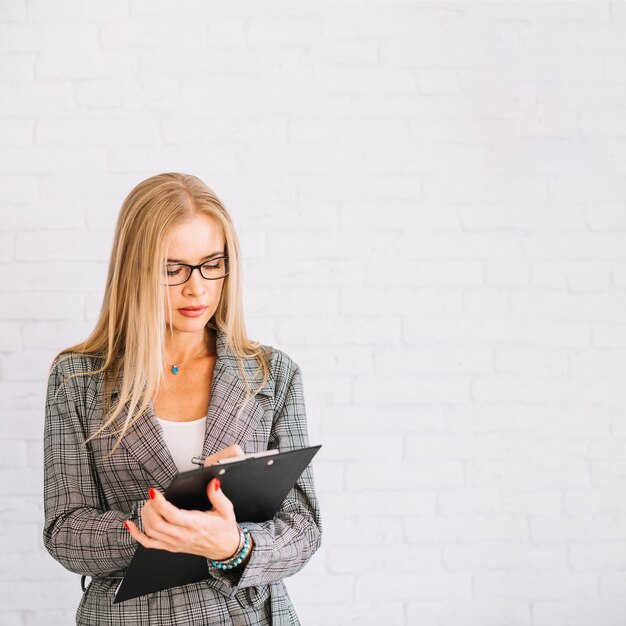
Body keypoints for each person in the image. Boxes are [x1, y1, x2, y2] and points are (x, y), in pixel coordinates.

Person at [42, 173, 322, 625]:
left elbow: (303, 528)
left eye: (213, 263)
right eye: (172, 270)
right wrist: (149, 525)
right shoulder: (78, 379)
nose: (198, 288)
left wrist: (234, 547)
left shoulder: (272, 375)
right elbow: (64, 532)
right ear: (134, 270)